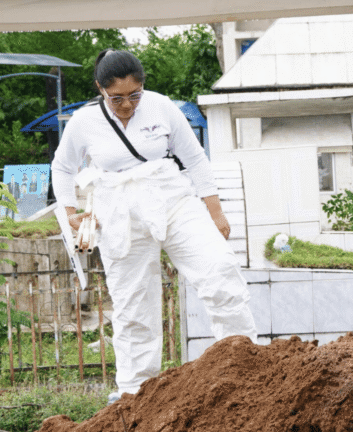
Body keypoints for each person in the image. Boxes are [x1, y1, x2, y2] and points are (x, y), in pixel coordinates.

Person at [51, 49, 258, 405]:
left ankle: (241, 365)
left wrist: (215, 212)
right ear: (100, 88)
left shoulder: (161, 106)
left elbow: (194, 158)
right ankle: (136, 390)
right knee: (134, 305)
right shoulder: (84, 122)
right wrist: (70, 212)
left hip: (171, 198)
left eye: (135, 95)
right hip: (118, 210)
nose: (127, 105)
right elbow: (63, 167)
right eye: (117, 98)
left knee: (220, 268)